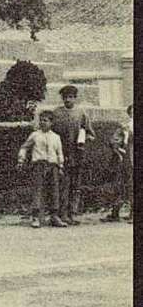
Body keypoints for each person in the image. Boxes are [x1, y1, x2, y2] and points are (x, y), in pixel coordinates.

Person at [51, 85, 95, 225]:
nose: (68, 100)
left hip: (77, 155)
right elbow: (49, 132)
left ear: (75, 98)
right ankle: (60, 214)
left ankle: (71, 214)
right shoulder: (56, 113)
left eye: (70, 97)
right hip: (60, 154)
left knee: (75, 185)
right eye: (65, 97)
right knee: (62, 184)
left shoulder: (81, 113)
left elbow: (90, 133)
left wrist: (84, 138)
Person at [17, 110, 67, 228]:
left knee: (54, 190)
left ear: (51, 122)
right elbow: (24, 147)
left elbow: (59, 152)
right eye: (41, 120)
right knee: (38, 190)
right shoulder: (35, 135)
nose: (43, 123)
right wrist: (21, 159)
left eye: (46, 120)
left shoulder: (56, 137)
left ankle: (54, 216)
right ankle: (36, 217)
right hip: (39, 165)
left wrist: (60, 166)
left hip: (53, 166)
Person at [102, 103, 133, 223]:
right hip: (125, 160)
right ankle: (115, 212)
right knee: (120, 185)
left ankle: (133, 214)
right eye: (131, 112)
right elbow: (114, 141)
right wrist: (118, 148)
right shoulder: (125, 127)